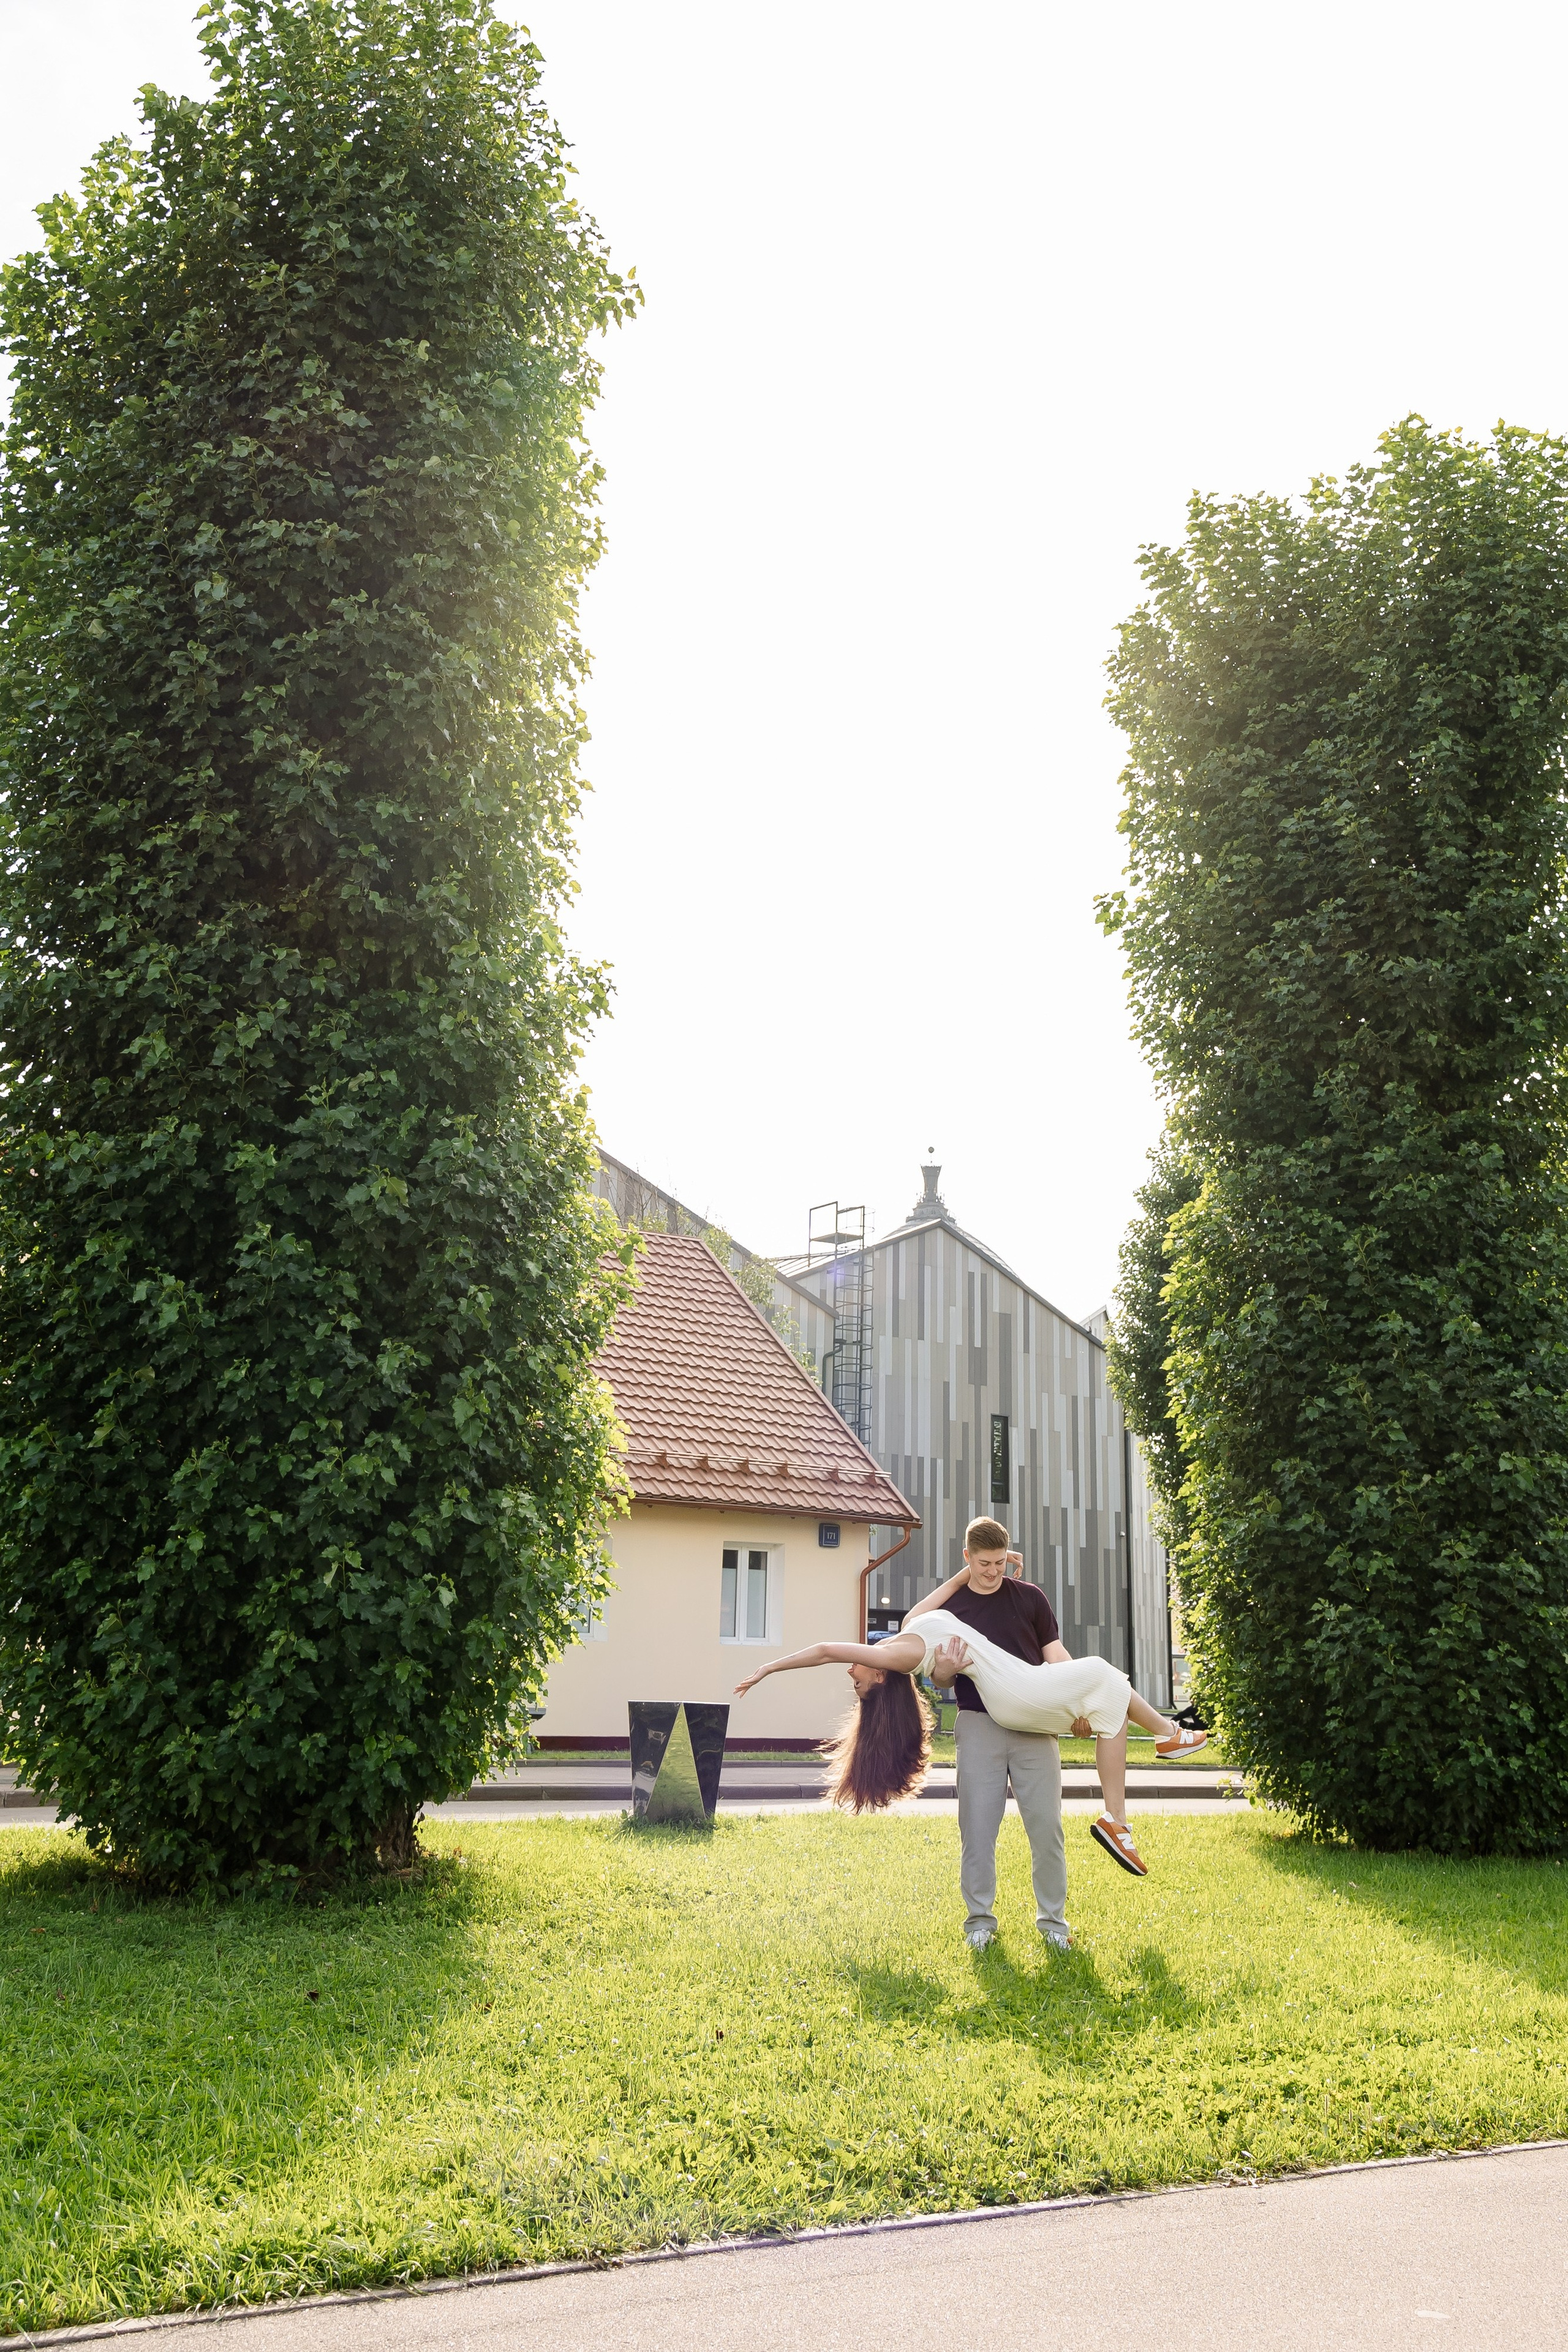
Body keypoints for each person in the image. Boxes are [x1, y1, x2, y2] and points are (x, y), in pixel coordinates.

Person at [731, 1515, 1203, 1909]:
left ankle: (1120, 1818)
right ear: (877, 1676)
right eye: (985, 1564)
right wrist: (770, 1668)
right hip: (1000, 1701)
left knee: (1107, 1701)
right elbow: (826, 1650)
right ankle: (1158, 1751)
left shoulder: (921, 1625)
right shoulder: (895, 1657)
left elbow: (920, 1614)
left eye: (999, 1563)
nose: (994, 1571)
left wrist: (1071, 1698)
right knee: (1101, 1674)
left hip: (1027, 1694)